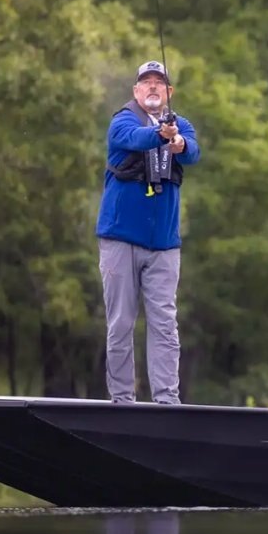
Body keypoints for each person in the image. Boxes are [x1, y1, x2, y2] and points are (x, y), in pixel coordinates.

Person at [96, 60, 201, 404]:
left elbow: (194, 152)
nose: (153, 86)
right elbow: (132, 138)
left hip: (164, 245)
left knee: (164, 325)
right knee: (120, 323)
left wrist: (178, 142)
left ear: (169, 92)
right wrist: (160, 135)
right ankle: (122, 400)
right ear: (136, 90)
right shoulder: (123, 120)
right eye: (146, 82)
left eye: (159, 82)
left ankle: (167, 400)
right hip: (120, 239)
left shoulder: (181, 124)